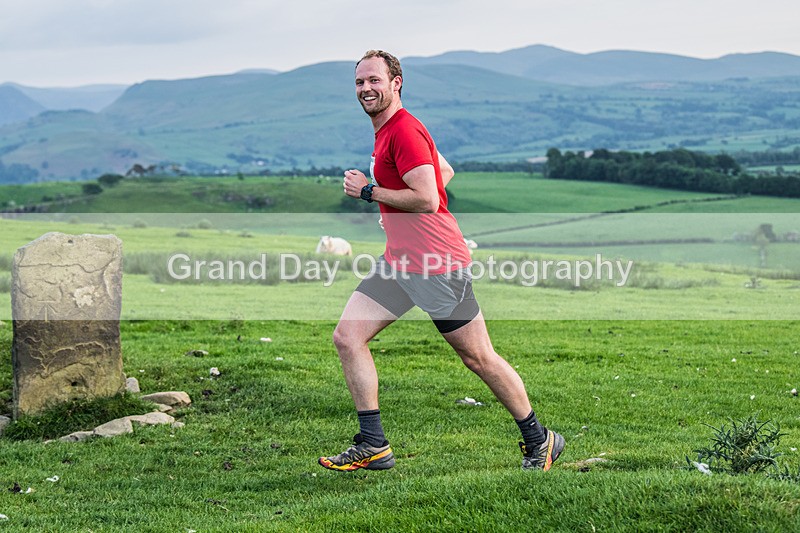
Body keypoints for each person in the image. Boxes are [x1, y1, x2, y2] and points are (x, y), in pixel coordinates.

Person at [318, 50, 564, 472]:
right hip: (401, 263)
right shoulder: (388, 130)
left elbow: (429, 198)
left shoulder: (404, 131)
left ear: (396, 82)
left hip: (437, 266)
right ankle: (373, 444)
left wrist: (369, 192)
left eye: (374, 80)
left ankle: (539, 440)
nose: (365, 89)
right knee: (347, 337)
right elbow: (442, 170)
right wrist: (396, 215)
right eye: (359, 83)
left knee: (478, 358)